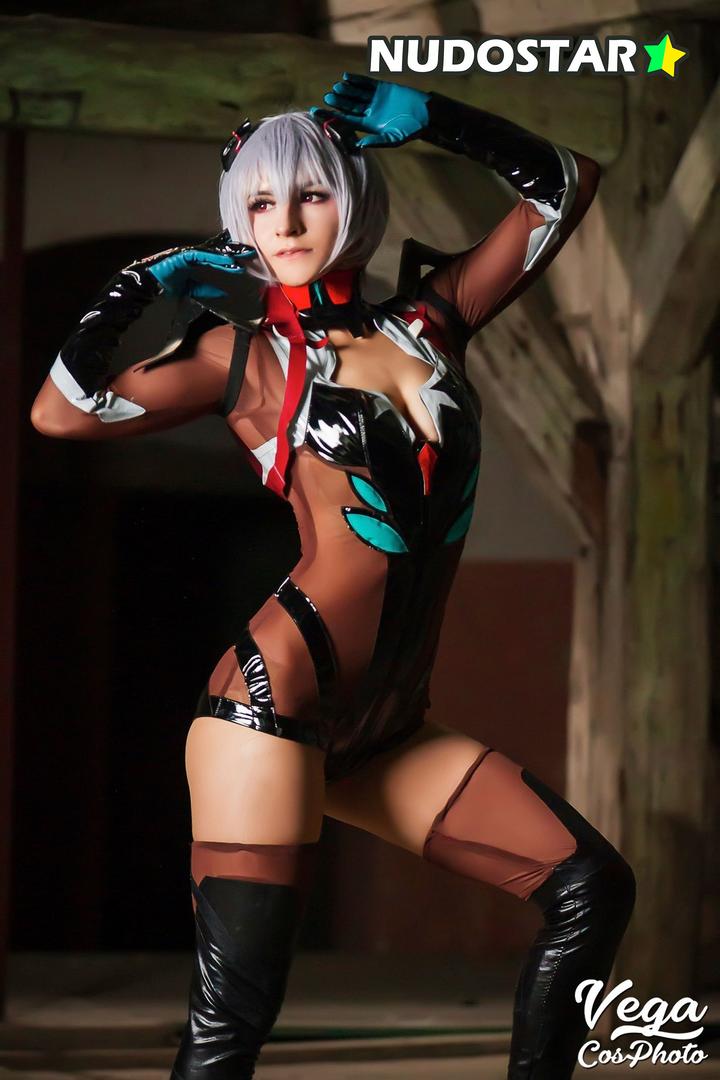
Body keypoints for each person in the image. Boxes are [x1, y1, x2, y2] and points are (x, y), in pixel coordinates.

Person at [31, 72, 636, 1079]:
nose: (286, 222)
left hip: (385, 725)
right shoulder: (245, 358)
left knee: (592, 889)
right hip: (273, 703)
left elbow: (566, 183)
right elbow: (61, 412)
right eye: (261, 202)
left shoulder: (433, 322)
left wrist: (438, 119)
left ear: (351, 195)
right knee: (236, 1017)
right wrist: (140, 282)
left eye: (310, 193)